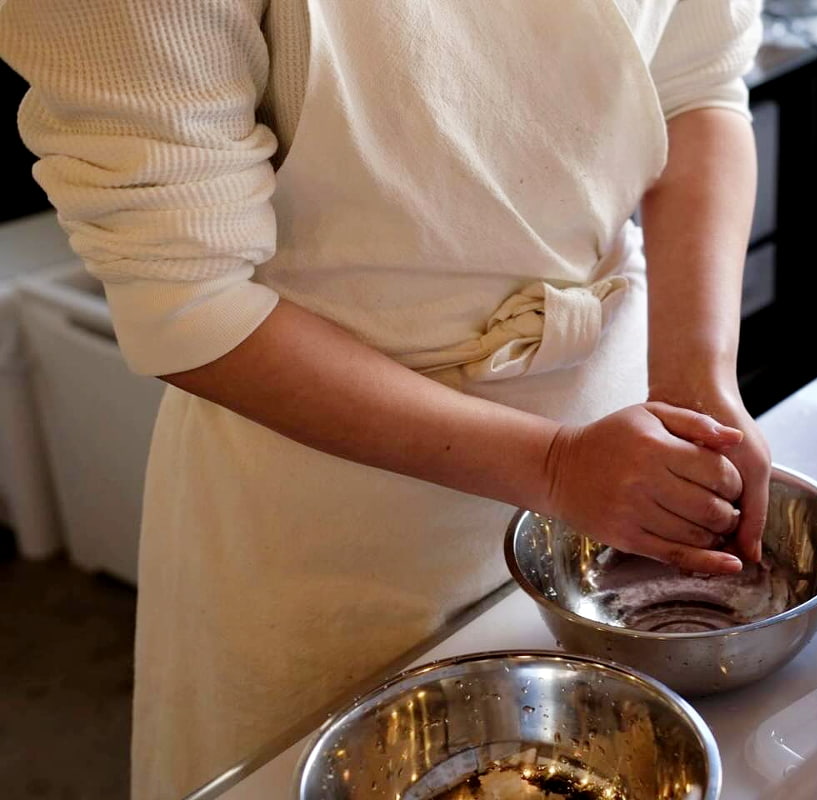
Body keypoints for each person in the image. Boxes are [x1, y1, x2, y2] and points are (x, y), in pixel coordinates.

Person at [0, 1, 770, 796]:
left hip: (615, 429)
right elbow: (187, 299)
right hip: (337, 502)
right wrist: (554, 465)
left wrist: (692, 379)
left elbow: (698, 89)